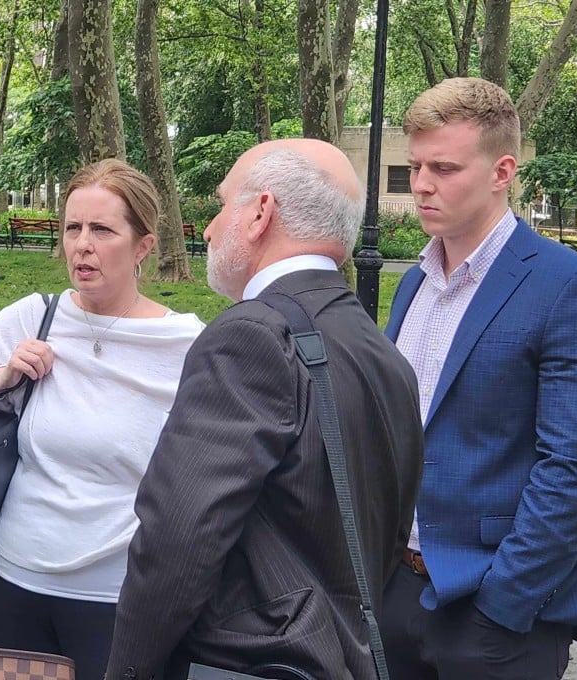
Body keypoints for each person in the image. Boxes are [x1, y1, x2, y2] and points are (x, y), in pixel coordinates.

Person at [104, 139, 425, 680]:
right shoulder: (383, 353)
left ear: (259, 213)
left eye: (222, 204)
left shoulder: (250, 336)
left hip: (247, 661)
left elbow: (178, 538)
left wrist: (127, 671)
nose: (207, 228)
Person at [0, 159, 204, 680]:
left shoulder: (186, 344)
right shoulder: (39, 315)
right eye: (73, 228)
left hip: (117, 592)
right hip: (15, 577)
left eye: (102, 230)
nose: (82, 244)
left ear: (143, 245)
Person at [380, 77, 577, 679]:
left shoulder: (566, 284)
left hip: (494, 615)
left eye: (443, 168)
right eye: (417, 165)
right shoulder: (416, 280)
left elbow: (572, 465)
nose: (421, 183)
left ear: (502, 172)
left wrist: (501, 607)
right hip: (398, 593)